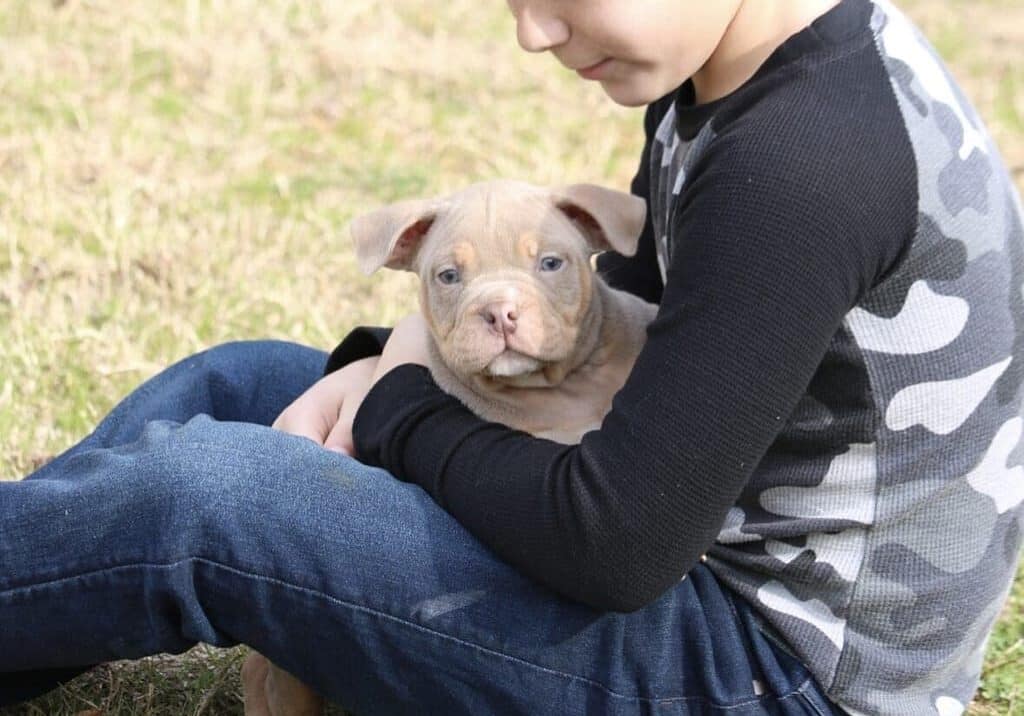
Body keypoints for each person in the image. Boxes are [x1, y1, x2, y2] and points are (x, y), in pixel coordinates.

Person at [2, 0, 1021, 713]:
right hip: (691, 539)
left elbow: (615, 541)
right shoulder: (741, 71)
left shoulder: (800, 161)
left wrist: (401, 407)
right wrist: (394, 359)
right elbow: (660, 321)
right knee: (243, 383)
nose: (531, 29)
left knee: (210, 495)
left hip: (763, 671)